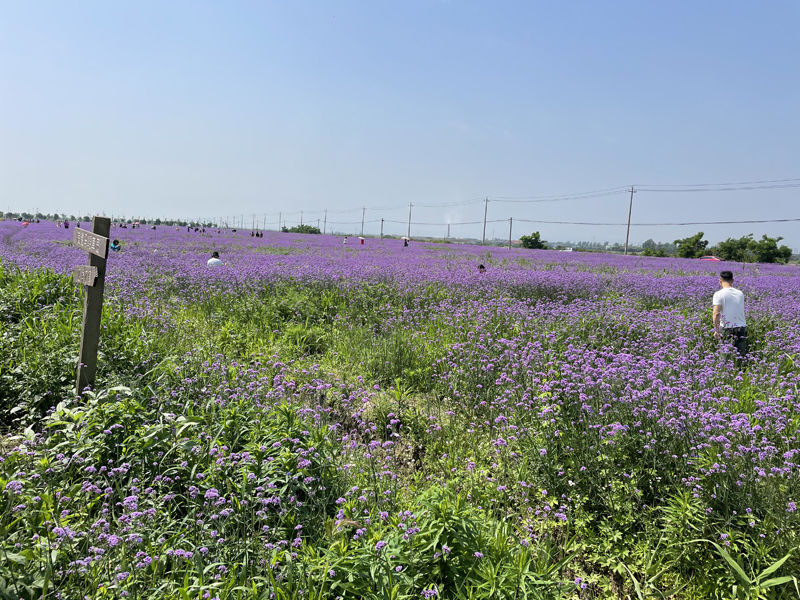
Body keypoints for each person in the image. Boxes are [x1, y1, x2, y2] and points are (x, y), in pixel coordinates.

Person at [713, 270, 747, 357]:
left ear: (720, 280)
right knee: (740, 356)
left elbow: (716, 313)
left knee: (725, 356)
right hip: (741, 327)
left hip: (726, 328)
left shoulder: (718, 294)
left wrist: (716, 330)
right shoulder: (740, 293)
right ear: (732, 280)